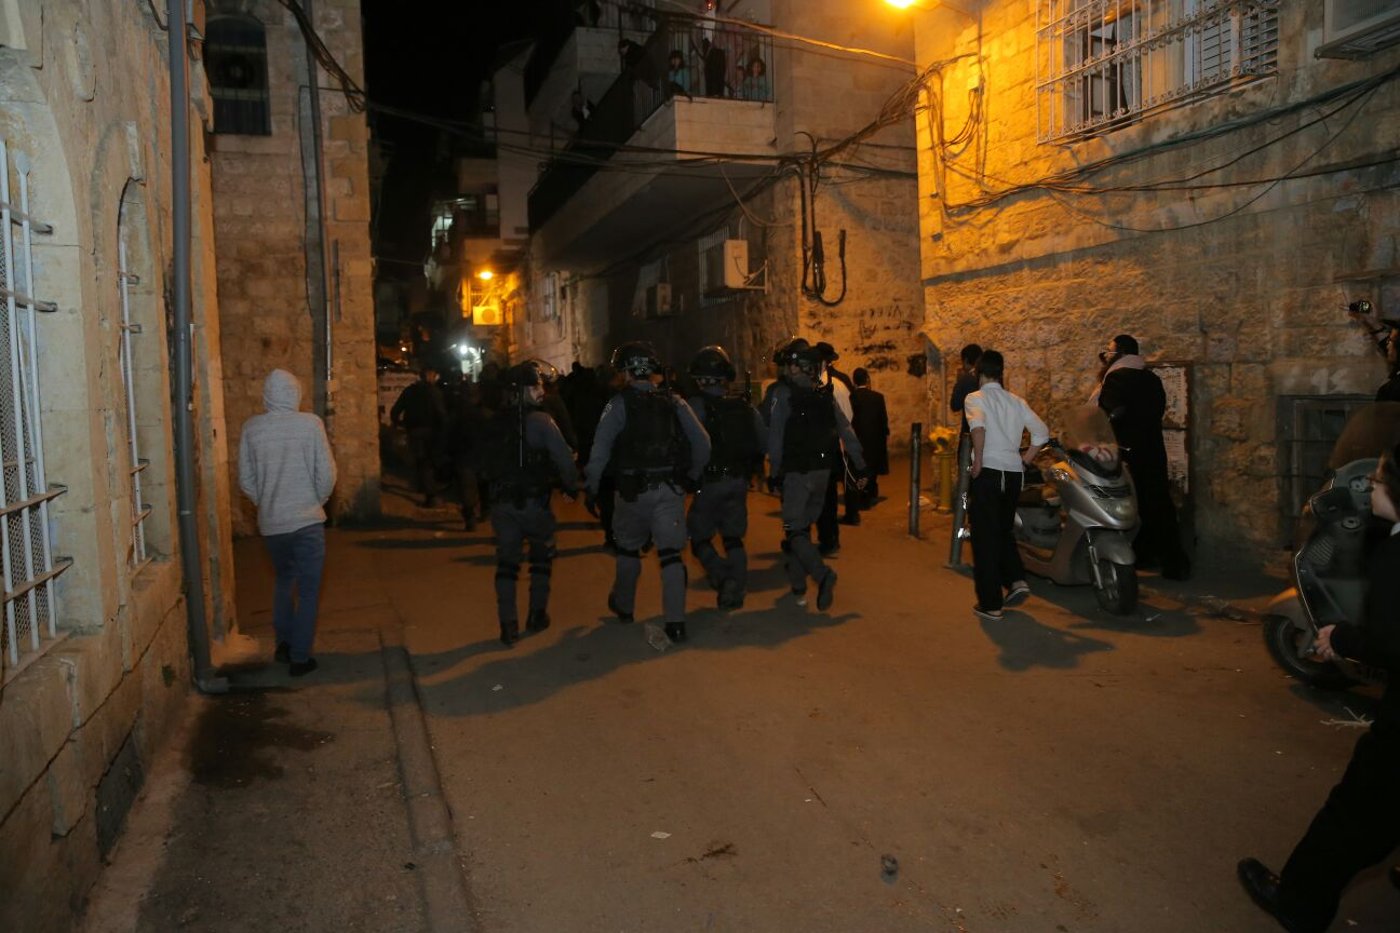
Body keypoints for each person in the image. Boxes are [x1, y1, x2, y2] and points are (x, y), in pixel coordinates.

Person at [1237, 443, 1400, 932]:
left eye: (1380, 480)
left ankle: (1299, 901)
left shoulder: (1395, 555)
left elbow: (1390, 643)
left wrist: (1341, 638)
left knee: (1356, 810)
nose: (1372, 486)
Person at [585, 342, 710, 645]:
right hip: (669, 489)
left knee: (628, 550)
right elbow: (703, 443)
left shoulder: (617, 405)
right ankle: (676, 624)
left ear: (625, 372)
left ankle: (625, 608)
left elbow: (600, 450)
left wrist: (591, 486)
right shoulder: (675, 402)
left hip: (631, 493)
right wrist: (693, 475)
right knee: (671, 556)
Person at [238, 369, 337, 676]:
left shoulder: (251, 429)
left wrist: (267, 502)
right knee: (308, 590)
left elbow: (246, 479)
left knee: (283, 580)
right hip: (307, 521)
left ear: (266, 396)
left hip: (272, 524)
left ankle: (283, 644)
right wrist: (315, 501)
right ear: (296, 394)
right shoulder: (310, 424)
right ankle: (300, 657)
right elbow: (327, 473)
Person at [477, 364, 580, 647]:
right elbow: (564, 461)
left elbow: (482, 463)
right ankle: (536, 615)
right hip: (535, 503)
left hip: (503, 504)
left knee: (507, 564)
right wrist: (570, 487)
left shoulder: (494, 422)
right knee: (541, 560)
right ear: (523, 391)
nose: (541, 391)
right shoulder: (542, 422)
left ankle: (507, 624)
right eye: (536, 387)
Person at [767, 338, 866, 612]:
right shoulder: (824, 394)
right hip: (823, 474)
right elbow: (846, 430)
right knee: (801, 531)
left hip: (797, 474)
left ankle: (823, 575)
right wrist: (860, 463)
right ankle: (798, 588)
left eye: (789, 365)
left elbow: (775, 437)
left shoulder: (783, 395)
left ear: (796, 367)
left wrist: (774, 472)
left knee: (794, 531)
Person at [1091, 334, 1190, 579]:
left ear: (1121, 353)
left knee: (1131, 505)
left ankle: (1151, 558)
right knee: (1157, 502)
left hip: (1127, 451)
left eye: (1110, 352)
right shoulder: (1151, 378)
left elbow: (1107, 413)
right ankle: (1165, 559)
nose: (1107, 357)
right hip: (1153, 448)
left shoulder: (1116, 377)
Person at [965, 350, 1048, 621]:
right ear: (1000, 373)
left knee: (984, 538)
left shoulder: (975, 398)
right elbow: (1041, 433)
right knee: (1003, 529)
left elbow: (978, 428)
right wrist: (1025, 461)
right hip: (1013, 474)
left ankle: (991, 604)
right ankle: (1016, 580)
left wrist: (978, 461)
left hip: (989, 471)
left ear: (979, 373)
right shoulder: (1016, 401)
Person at [685, 345, 765, 611]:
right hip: (739, 481)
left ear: (699, 378)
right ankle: (737, 590)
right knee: (733, 538)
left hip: (709, 483)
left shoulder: (695, 406)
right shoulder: (744, 406)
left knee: (699, 537)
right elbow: (762, 441)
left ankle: (722, 577)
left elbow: (688, 445)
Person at [815, 342, 853, 552]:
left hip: (825, 447)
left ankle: (827, 538)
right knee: (828, 495)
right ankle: (830, 537)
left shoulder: (826, 385)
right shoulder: (839, 383)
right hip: (833, 446)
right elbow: (848, 415)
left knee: (824, 496)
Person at [390, 365, 447, 506]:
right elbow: (441, 413)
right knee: (428, 463)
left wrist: (399, 423)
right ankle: (431, 496)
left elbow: (395, 411)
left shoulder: (409, 391)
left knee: (420, 461)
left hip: (414, 431)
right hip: (431, 432)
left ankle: (423, 487)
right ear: (430, 375)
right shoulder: (434, 392)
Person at [849, 367, 890, 509]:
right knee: (872, 467)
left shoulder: (852, 398)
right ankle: (870, 492)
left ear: (854, 381)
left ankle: (863, 495)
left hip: (858, 438)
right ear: (867, 379)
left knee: (860, 468)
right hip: (875, 438)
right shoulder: (878, 397)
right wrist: (885, 434)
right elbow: (883, 419)